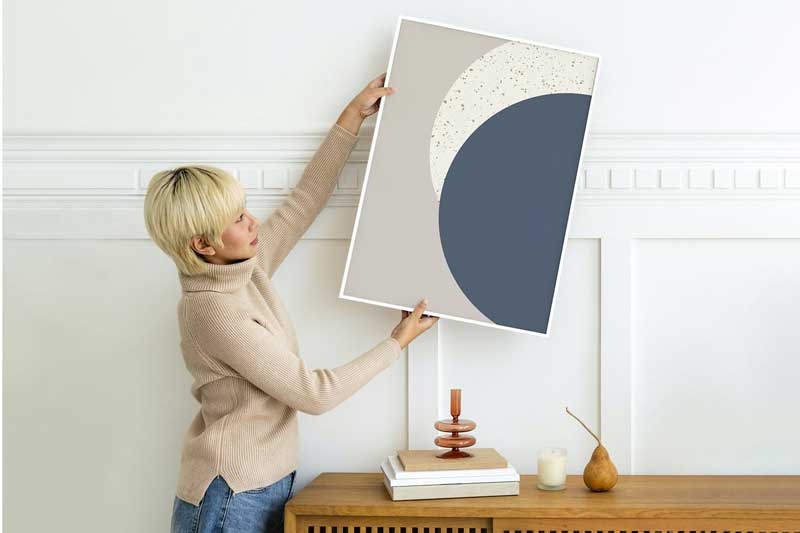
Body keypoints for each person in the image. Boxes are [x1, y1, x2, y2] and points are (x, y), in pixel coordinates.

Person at [143, 73, 439, 533]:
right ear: (203, 244)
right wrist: (396, 343)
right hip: (229, 500)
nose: (252, 221)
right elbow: (312, 393)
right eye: (237, 219)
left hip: (260, 486)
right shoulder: (212, 311)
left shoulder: (245, 267)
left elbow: (304, 200)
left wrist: (351, 117)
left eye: (244, 208)